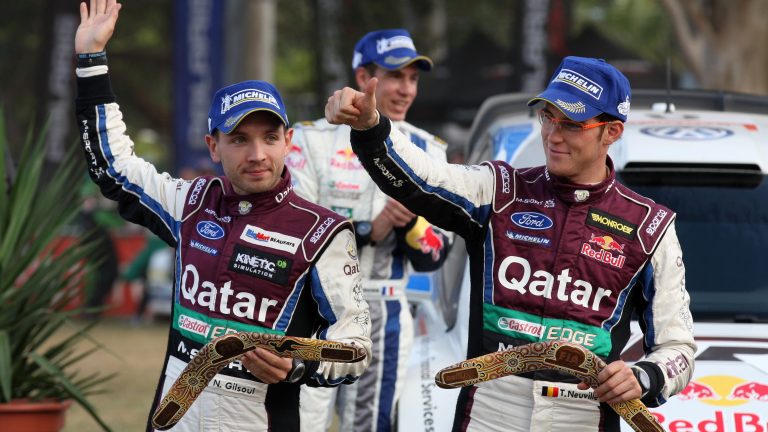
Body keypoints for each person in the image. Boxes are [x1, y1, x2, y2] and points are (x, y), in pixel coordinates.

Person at [325, 56, 696, 431]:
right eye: (548, 117)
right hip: (490, 407)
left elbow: (677, 348)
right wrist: (371, 129)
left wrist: (644, 376)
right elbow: (423, 177)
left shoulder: (650, 226)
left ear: (612, 132)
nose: (553, 135)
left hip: (584, 413)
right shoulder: (501, 190)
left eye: (571, 124)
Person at [74, 2, 371, 431]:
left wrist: (298, 364)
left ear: (288, 141)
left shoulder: (322, 231)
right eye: (239, 139)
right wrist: (91, 60)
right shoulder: (191, 203)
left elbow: (356, 346)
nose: (257, 154)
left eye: (270, 138)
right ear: (213, 146)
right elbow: (113, 166)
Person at [290, 29, 453, 432]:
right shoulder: (311, 139)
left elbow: (434, 256)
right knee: (299, 421)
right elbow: (293, 230)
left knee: (367, 426)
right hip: (312, 309)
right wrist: (367, 230)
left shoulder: (429, 150)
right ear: (363, 77)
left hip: (385, 309)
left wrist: (413, 222)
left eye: (413, 78)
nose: (406, 89)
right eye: (395, 76)